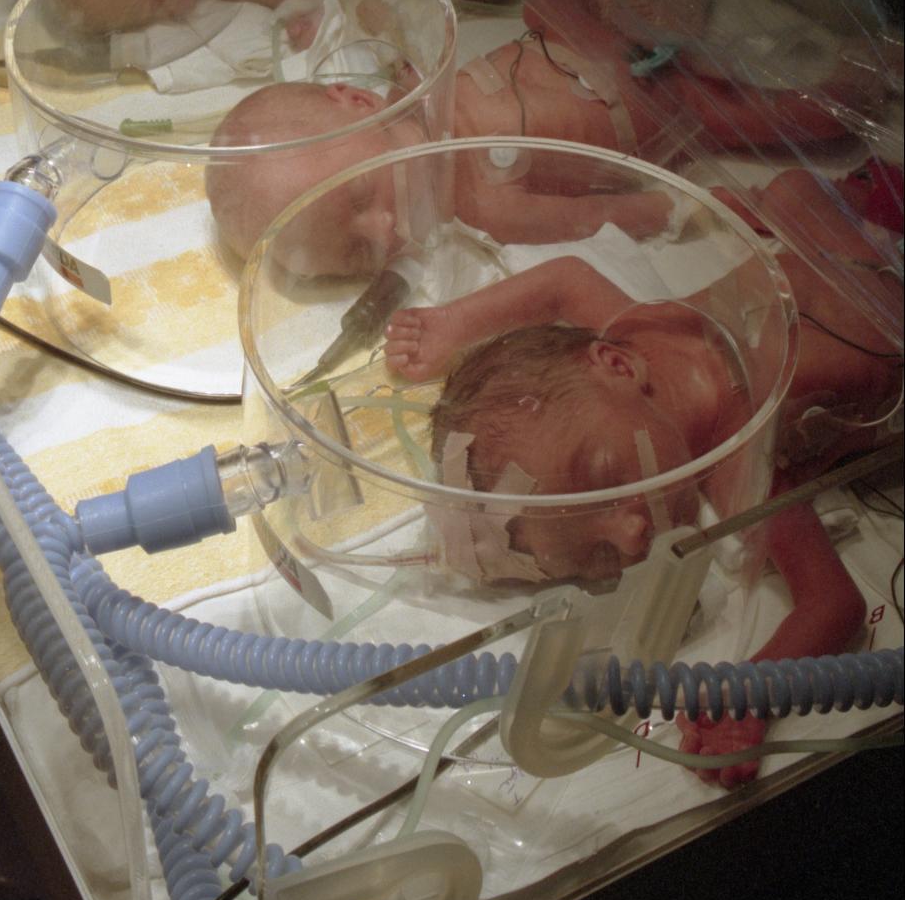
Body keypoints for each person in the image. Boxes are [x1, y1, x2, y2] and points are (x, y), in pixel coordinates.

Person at [383, 168, 902, 787]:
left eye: (602, 477)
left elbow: (562, 280)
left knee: (792, 188)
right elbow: (832, 600)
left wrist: (454, 322)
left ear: (615, 364)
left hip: (849, 257)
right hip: (872, 291)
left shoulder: (727, 444)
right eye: (600, 556)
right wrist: (750, 693)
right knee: (794, 191)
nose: (631, 534)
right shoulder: (721, 430)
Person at [206, 0, 893, 272]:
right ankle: (869, 73)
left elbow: (378, 27)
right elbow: (594, 217)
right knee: (796, 116)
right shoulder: (485, 206)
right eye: (359, 253)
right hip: (665, 112)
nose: (384, 229)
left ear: (358, 104)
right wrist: (687, 208)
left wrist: (326, 18)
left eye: (360, 197)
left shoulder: (411, 82)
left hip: (594, 41)